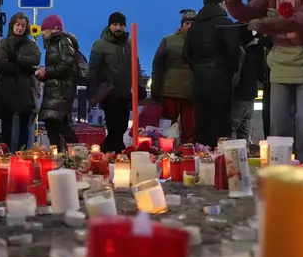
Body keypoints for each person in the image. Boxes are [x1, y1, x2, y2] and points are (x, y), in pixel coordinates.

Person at [225, 0, 303, 162]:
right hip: (281, 62)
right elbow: (248, 13)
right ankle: (280, 165)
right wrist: (234, 3)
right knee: (278, 121)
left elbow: (302, 20)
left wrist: (265, 24)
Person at [182, 0, 242, 147]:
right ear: (221, 3)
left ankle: (200, 155)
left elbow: (185, 54)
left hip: (200, 79)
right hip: (221, 77)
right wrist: (231, 69)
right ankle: (219, 157)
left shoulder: (194, 28)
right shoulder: (226, 23)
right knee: (221, 120)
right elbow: (233, 51)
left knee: (202, 119)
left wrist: (197, 68)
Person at [88, 12, 142, 153]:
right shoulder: (100, 45)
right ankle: (117, 153)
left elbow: (136, 66)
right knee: (114, 127)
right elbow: (92, 70)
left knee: (122, 127)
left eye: (121, 25)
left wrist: (139, 85)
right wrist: (92, 92)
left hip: (125, 93)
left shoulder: (129, 44)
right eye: (115, 24)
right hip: (108, 92)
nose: (118, 28)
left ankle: (108, 154)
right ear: (109, 26)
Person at [0, 12, 41, 151]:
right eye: (18, 25)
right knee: (6, 127)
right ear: (12, 25)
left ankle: (22, 155)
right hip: (6, 90)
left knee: (24, 129)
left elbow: (35, 60)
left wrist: (16, 58)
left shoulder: (30, 45)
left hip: (25, 92)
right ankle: (5, 154)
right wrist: (22, 67)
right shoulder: (3, 43)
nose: (20, 28)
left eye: (23, 25)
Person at [151, 9, 197, 144]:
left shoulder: (200, 42)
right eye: (187, 23)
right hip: (170, 90)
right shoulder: (168, 40)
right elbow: (157, 66)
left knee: (190, 128)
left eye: (193, 23)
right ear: (182, 24)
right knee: (167, 127)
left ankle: (188, 153)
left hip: (191, 91)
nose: (190, 26)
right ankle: (167, 152)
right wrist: (156, 89)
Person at [38, 14, 78, 151]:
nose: (42, 33)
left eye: (44, 30)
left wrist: (46, 71)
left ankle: (77, 151)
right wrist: (43, 74)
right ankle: (59, 156)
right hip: (55, 91)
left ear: (51, 29)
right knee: (51, 126)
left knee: (56, 123)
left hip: (60, 91)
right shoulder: (54, 44)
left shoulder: (63, 41)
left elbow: (65, 65)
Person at [232, 30, 262, 141]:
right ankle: (244, 155)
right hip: (251, 94)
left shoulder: (241, 52)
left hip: (240, 94)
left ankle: (231, 156)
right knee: (244, 131)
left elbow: (236, 76)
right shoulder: (257, 51)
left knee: (231, 128)